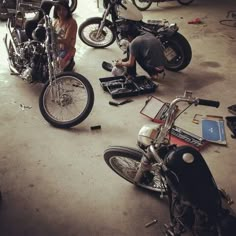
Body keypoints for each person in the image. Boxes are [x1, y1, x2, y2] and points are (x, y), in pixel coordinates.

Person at [53, 0, 78, 71]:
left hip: (68, 49)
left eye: (64, 9)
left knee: (59, 65)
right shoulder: (56, 21)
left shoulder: (72, 23)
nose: (61, 12)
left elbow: (66, 41)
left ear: (68, 10)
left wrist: (53, 39)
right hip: (56, 48)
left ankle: (70, 61)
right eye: (59, 9)